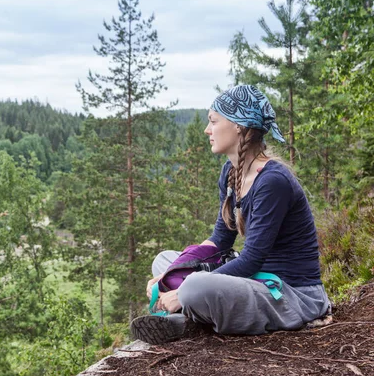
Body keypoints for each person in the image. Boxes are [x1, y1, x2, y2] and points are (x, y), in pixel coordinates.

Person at [130, 84, 331, 345]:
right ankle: (190, 314)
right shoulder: (230, 172)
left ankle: (187, 318)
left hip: (292, 295)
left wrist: (182, 290)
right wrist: (171, 273)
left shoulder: (272, 181)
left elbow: (251, 261)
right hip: (256, 282)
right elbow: (219, 241)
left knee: (193, 287)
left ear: (238, 126)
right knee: (164, 260)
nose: (207, 130)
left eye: (213, 121)